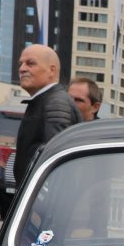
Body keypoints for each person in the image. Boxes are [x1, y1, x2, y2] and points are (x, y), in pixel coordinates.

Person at [11, 44, 79, 183]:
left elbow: (57, 158)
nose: (22, 69)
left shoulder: (55, 103)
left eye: (30, 63)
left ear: (51, 70)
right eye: (20, 64)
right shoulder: (46, 101)